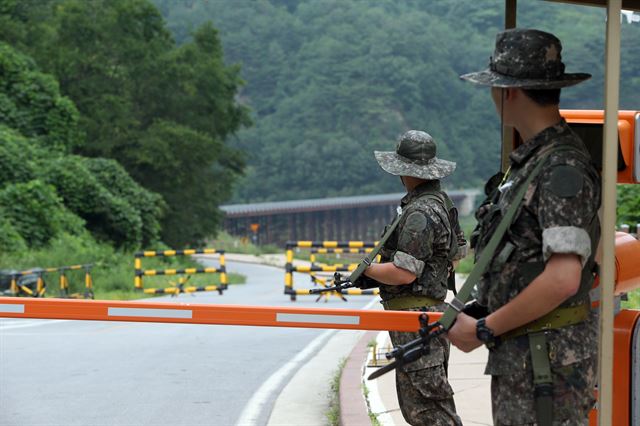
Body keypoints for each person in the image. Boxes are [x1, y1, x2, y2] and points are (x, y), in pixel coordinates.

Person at [448, 29, 601, 425]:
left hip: (544, 364)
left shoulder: (558, 168)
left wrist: (483, 328)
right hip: (529, 358)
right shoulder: (535, 161)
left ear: (509, 92)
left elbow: (564, 278)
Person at [357, 130, 467, 426]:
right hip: (425, 315)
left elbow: (404, 272)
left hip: (415, 318)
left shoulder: (419, 212)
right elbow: (458, 252)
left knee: (428, 410)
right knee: (423, 407)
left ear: (404, 171)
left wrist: (365, 270)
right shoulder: (441, 202)